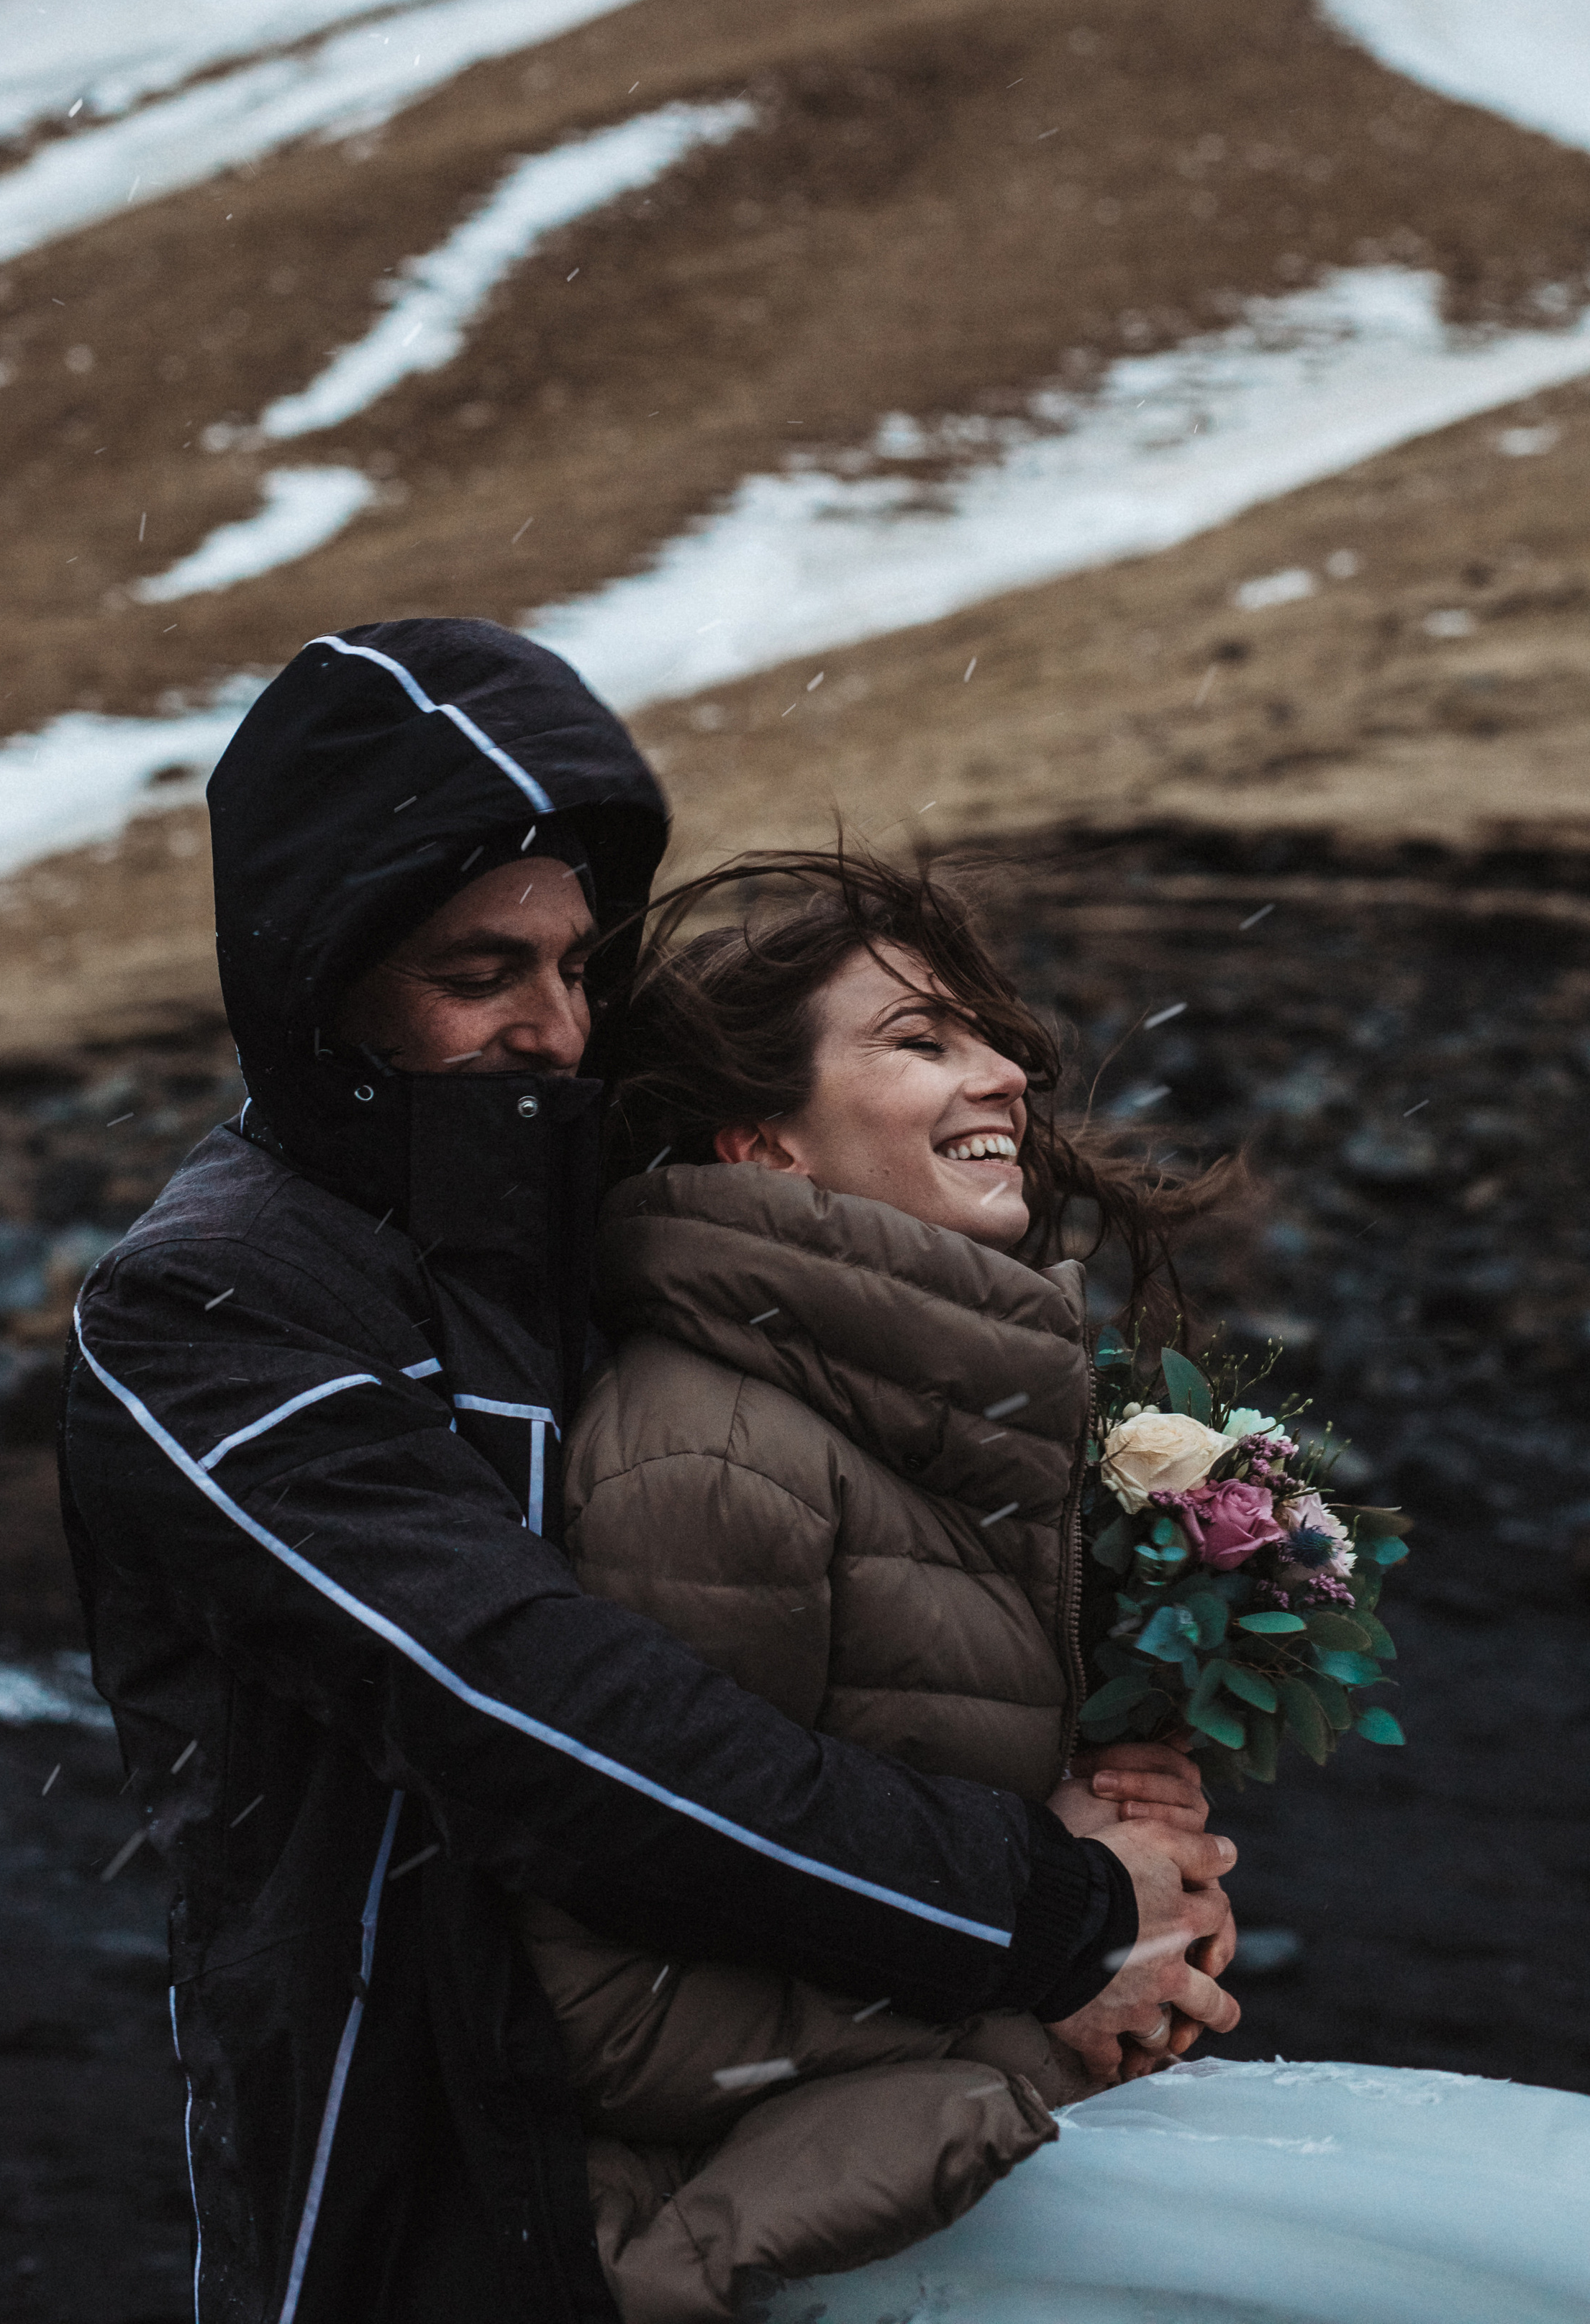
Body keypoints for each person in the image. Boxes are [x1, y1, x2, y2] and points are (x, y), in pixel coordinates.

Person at [59, 620, 1237, 2324]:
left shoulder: (568, 1216)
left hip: (745, 2116)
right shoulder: (207, 1311)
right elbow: (533, 1710)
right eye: (478, 974)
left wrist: (1128, 1792)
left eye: (575, 968)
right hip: (407, 2117)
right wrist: (1042, 1914)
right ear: (320, 982)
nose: (554, 1028)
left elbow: (844, 1588)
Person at [521, 853, 1240, 2317]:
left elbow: (910, 1793)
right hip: (804, 2259)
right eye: (922, 1043)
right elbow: (605, 2010)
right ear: (760, 1144)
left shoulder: (944, 1404)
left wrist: (1130, 1823)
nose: (1001, 1080)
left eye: (995, 1043)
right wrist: (1061, 1965)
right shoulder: (707, 1454)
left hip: (938, 2209)